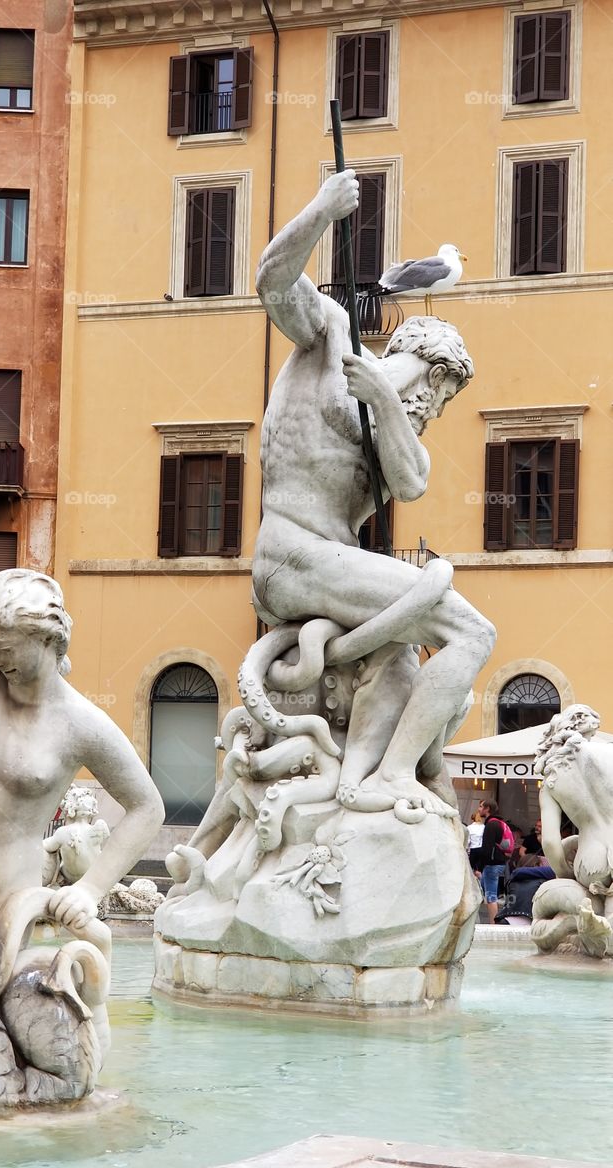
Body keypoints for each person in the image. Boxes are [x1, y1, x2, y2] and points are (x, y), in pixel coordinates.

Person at [253, 170, 496, 821]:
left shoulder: (393, 427)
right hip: (290, 552)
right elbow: (272, 278)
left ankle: (393, 772)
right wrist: (321, 212)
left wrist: (386, 401)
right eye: (440, 399)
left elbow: (412, 481)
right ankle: (393, 775)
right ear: (430, 370)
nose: (434, 412)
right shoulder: (330, 337)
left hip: (328, 571)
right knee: (473, 630)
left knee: (417, 668)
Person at [0, 569, 164, 932]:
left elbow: (147, 808)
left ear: (44, 639)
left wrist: (89, 889)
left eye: (4, 649)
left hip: (5, 910)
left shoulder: (80, 723)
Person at [474, 798, 510, 923]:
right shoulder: (498, 823)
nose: (478, 809)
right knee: (485, 891)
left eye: (480, 806)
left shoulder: (491, 824)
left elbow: (487, 848)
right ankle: (491, 920)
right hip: (498, 863)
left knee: (490, 896)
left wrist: (479, 867)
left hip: (492, 864)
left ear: (487, 809)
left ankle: (494, 924)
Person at [494, 853, 555, 926]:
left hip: (505, 919)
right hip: (527, 922)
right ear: (537, 865)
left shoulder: (513, 879)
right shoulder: (543, 882)